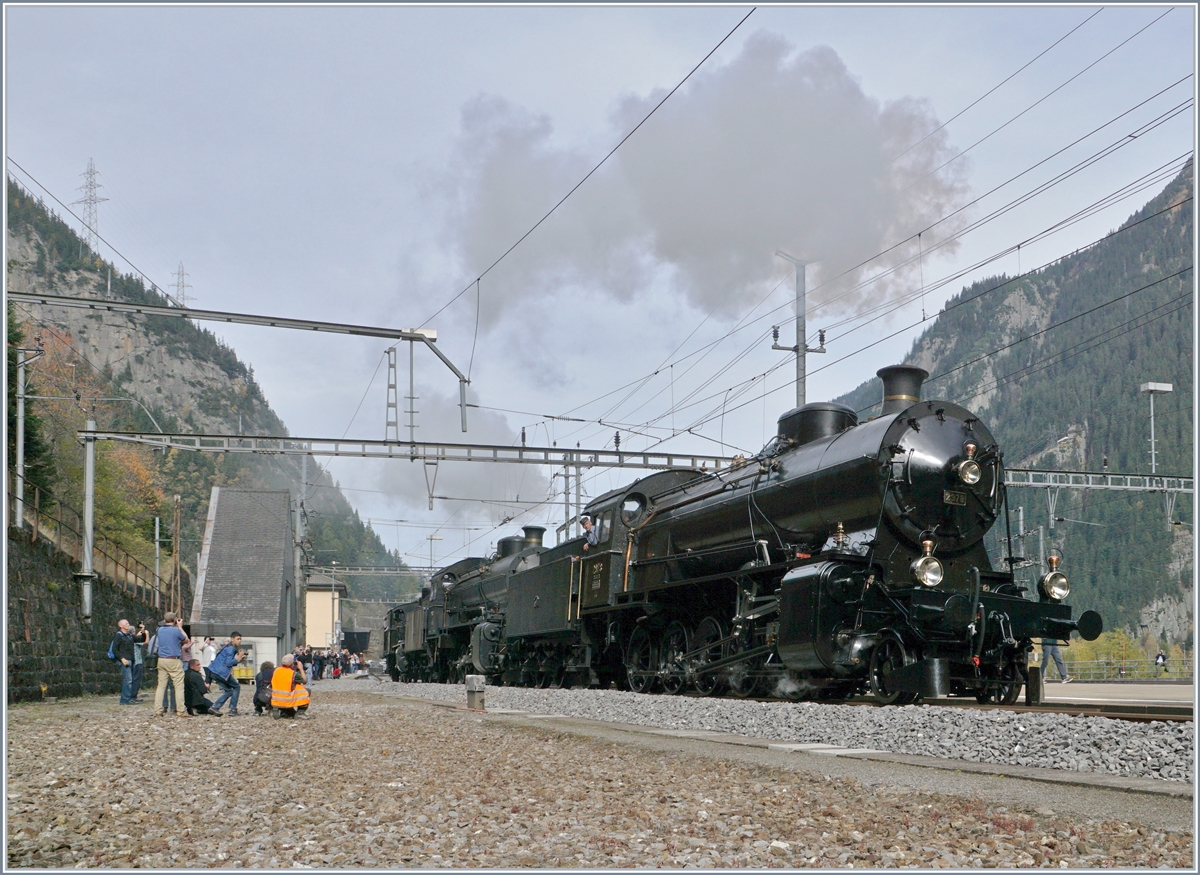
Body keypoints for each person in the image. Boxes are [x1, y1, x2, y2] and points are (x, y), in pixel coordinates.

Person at [153, 612, 192, 717]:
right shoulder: (176, 631)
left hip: (161, 660)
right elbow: (186, 640)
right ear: (175, 620)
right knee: (179, 686)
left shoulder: (159, 630)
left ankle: (158, 710)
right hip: (173, 660)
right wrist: (180, 626)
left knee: (161, 686)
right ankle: (180, 710)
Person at [209, 632, 247, 716]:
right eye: (238, 639)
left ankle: (215, 707)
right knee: (236, 686)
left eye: (240, 639)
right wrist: (239, 657)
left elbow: (225, 661)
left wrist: (239, 660)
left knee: (229, 691)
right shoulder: (231, 649)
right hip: (222, 672)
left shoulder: (227, 647)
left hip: (214, 671)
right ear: (232, 639)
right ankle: (233, 709)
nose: (239, 641)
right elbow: (228, 663)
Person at [271, 654, 311, 719]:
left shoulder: (276, 670)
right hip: (287, 699)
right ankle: (300, 713)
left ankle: (284, 711)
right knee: (306, 690)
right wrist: (301, 668)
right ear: (292, 664)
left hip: (276, 700)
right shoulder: (293, 674)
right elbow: (304, 681)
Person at [110, 620, 137, 705]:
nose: (128, 625)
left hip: (130, 659)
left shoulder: (129, 635)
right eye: (126, 623)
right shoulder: (119, 635)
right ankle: (125, 700)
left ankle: (127, 698)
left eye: (128, 623)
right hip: (125, 660)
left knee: (129, 680)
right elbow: (114, 649)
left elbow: (140, 639)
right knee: (127, 680)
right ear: (121, 626)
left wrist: (143, 631)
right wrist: (122, 659)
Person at [130, 621, 150, 702]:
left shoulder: (129, 638)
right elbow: (146, 642)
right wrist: (147, 633)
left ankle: (132, 695)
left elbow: (139, 635)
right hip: (137, 661)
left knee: (132, 679)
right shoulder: (134, 640)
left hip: (132, 661)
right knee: (136, 680)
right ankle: (133, 696)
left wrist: (142, 629)